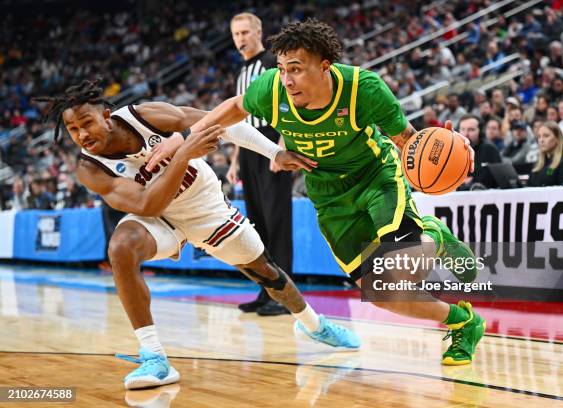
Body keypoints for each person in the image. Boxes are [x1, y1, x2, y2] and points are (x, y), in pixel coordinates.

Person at [149, 19, 486, 366]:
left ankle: (435, 236)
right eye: (281, 69)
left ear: (325, 66)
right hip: (328, 196)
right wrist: (185, 137)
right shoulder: (273, 89)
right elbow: (236, 107)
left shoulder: (363, 89)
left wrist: (454, 150)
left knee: (402, 268)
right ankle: (464, 322)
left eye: (295, 69)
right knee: (381, 293)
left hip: (375, 178)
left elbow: (408, 141)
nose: (287, 79)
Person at [34, 79, 360, 390]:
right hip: (159, 218)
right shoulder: (89, 168)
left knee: (266, 272)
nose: (82, 135)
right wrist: (183, 153)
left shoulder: (145, 116)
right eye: (73, 130)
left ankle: (314, 324)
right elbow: (147, 204)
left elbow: (223, 122)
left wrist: (274, 153)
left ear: (106, 115)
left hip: (207, 208)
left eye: (86, 123)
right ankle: (154, 357)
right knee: (120, 248)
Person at [227, 12, 294, 316]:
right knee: (256, 224)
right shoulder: (240, 71)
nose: (240, 38)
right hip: (248, 146)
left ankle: (284, 295)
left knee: (277, 220)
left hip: (271, 143)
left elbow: (288, 101)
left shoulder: (270, 63)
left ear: (258, 32)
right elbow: (239, 117)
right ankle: (265, 290)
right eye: (236, 34)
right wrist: (234, 158)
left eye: (245, 32)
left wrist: (282, 144)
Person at [458, 115, 502, 189]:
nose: (466, 134)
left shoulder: (488, 148)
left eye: (471, 129)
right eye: (462, 129)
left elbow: (486, 180)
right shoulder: (457, 150)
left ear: (480, 131)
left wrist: (471, 180)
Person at [528, 121, 563, 187]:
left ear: (557, 139)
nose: (541, 140)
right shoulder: (537, 164)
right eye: (539, 136)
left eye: (546, 136)